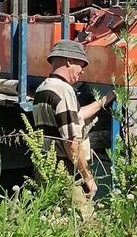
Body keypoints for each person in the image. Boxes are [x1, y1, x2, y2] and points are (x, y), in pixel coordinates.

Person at [33, 39, 115, 203]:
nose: (82, 71)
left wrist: (106, 99)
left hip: (46, 165)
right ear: (69, 61)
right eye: (81, 65)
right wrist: (88, 177)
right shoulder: (65, 91)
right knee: (82, 220)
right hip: (65, 171)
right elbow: (71, 143)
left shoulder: (44, 88)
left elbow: (76, 115)